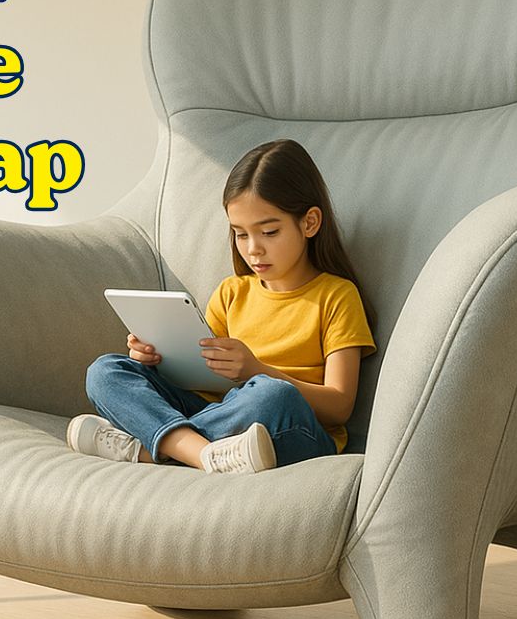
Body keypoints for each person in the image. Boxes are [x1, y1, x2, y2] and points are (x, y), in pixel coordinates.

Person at [68, 139, 377, 474]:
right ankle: (206, 454)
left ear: (310, 223)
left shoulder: (336, 296)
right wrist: (156, 361)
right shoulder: (231, 293)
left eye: (269, 232)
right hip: (223, 416)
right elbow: (204, 380)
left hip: (290, 426)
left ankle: (153, 449)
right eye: (241, 234)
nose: (253, 249)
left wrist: (256, 370)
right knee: (106, 371)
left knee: (272, 395)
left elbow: (340, 406)